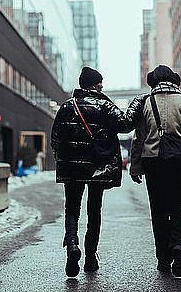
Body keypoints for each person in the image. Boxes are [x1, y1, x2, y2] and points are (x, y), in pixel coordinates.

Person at [51, 66, 145, 277]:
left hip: (72, 167)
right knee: (94, 210)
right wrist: (137, 102)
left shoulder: (67, 106)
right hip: (98, 167)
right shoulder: (104, 105)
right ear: (94, 84)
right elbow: (126, 124)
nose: (102, 85)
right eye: (100, 82)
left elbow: (55, 137)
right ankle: (91, 257)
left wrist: (63, 158)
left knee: (72, 208)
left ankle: (72, 246)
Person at [130, 64, 181, 277]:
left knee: (159, 212)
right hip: (178, 162)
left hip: (153, 163)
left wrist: (135, 166)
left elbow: (138, 138)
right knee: (179, 208)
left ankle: (163, 259)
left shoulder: (146, 104)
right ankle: (178, 245)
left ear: (154, 82)